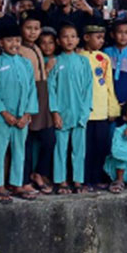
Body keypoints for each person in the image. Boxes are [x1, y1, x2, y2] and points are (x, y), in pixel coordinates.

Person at [0, 20, 39, 203]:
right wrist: (4, 113)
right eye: (9, 40)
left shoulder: (25, 63)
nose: (14, 44)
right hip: (2, 117)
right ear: (1, 42)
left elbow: (32, 89)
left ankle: (17, 184)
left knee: (19, 150)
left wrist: (27, 114)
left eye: (17, 40)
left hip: (22, 117)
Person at [48, 23, 93, 194]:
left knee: (79, 150)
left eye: (73, 36)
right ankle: (61, 181)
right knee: (60, 149)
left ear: (78, 40)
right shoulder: (56, 61)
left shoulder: (83, 61)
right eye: (65, 37)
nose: (69, 40)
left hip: (80, 112)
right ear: (59, 41)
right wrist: (55, 112)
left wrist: (86, 111)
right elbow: (51, 88)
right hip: (62, 113)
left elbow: (89, 87)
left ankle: (78, 181)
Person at [18, 10, 56, 194]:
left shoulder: (37, 48)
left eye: (36, 28)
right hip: (28, 97)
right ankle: (23, 180)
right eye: (28, 28)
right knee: (25, 143)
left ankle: (39, 173)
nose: (32, 32)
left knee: (49, 139)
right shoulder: (20, 50)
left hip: (43, 97)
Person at [81, 21, 121, 188]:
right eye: (97, 37)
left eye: (102, 38)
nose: (101, 41)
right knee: (86, 147)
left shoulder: (104, 58)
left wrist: (112, 108)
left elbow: (109, 84)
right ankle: (84, 179)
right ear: (86, 37)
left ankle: (97, 178)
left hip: (102, 110)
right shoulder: (79, 57)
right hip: (85, 111)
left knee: (100, 146)